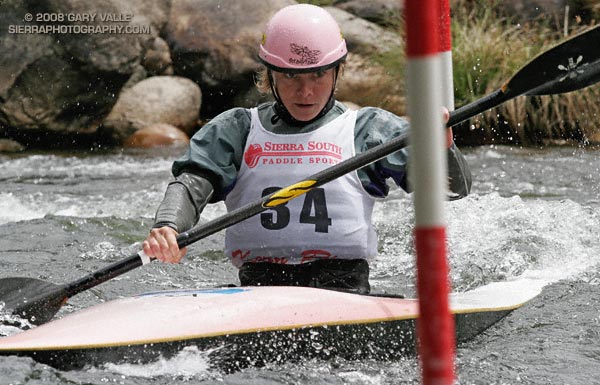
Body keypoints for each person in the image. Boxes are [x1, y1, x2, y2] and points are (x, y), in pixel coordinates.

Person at [142, 4, 472, 294]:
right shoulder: (236, 130)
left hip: (344, 288)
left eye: (318, 75)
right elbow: (190, 183)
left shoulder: (368, 130)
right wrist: (169, 227)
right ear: (269, 76)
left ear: (337, 72)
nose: (306, 91)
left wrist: (443, 150)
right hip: (260, 288)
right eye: (290, 76)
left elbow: (453, 191)